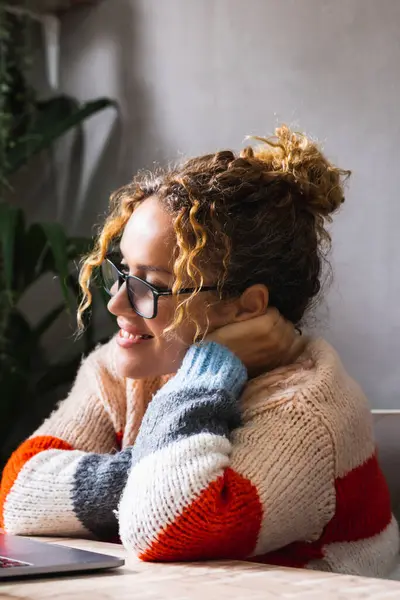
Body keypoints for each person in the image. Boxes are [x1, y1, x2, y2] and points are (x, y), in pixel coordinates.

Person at [0, 126, 398, 577]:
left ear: (246, 308)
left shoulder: (310, 412)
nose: (115, 303)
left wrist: (210, 366)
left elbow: (169, 523)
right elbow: (17, 492)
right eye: (123, 272)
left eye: (152, 285)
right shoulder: (122, 366)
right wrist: (144, 473)